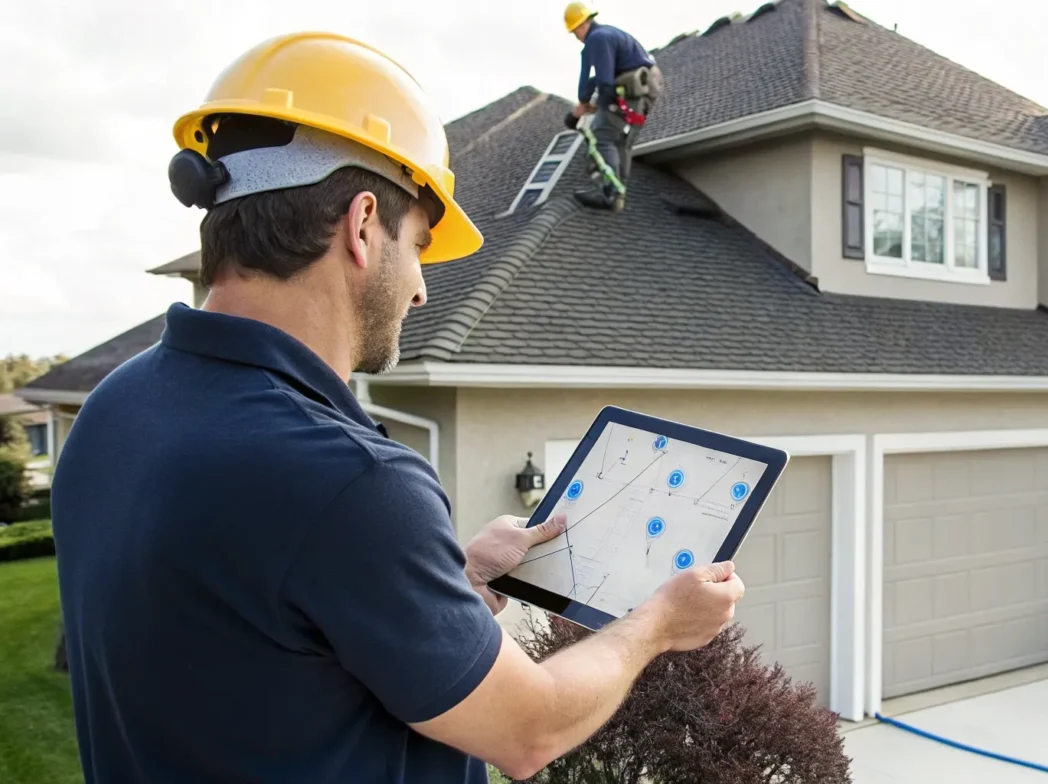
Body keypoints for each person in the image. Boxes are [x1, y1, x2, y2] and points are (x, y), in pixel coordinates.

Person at [50, 31, 743, 784]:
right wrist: (657, 625)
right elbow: (529, 729)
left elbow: (275, 630)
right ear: (360, 225)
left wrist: (462, 577)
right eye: (415, 245)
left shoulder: (117, 409)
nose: (419, 288)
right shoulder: (348, 482)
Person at [564, 2, 664, 211]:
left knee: (602, 137)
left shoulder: (598, 39)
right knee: (621, 144)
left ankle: (610, 192)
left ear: (583, 25)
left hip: (629, 94)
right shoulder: (609, 35)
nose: (577, 37)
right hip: (643, 95)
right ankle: (617, 195)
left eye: (575, 33)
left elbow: (605, 82)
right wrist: (588, 101)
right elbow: (594, 82)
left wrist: (595, 105)